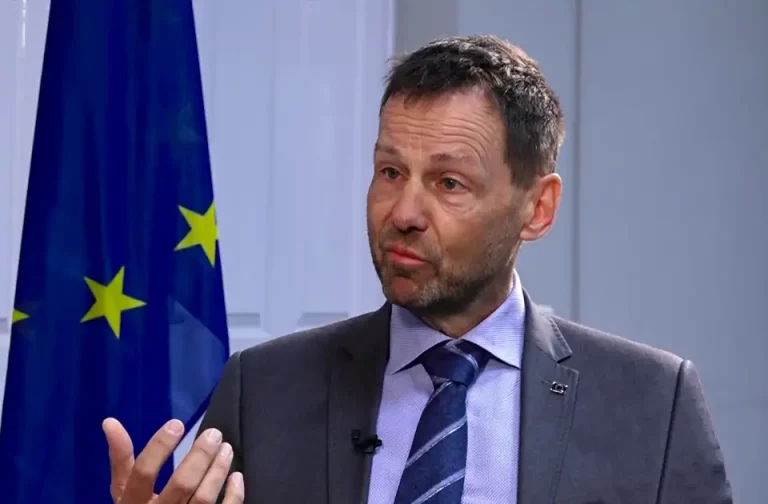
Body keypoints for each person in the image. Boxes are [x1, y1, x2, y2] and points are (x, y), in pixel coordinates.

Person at [102, 34, 732, 504]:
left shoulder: (652, 403)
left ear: (537, 209)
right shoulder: (262, 391)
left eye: (449, 182)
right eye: (390, 171)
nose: (402, 212)